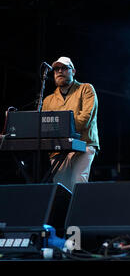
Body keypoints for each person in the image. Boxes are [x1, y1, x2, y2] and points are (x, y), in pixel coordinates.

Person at [42, 56, 99, 192]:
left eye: (64, 68)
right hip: (58, 150)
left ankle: (79, 212)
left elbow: (84, 119)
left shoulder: (86, 89)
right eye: (56, 69)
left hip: (84, 144)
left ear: (73, 71)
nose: (59, 71)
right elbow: (44, 127)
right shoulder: (48, 100)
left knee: (77, 185)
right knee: (60, 191)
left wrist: (59, 127)